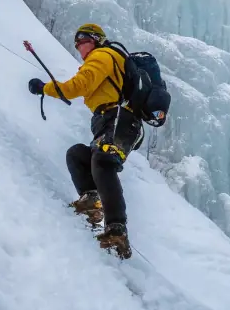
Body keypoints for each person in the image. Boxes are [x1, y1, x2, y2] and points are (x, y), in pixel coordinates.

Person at [28, 22, 150, 258]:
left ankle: (117, 229)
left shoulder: (102, 55)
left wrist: (45, 88)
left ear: (93, 40)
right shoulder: (104, 58)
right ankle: (92, 202)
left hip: (119, 118)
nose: (78, 48)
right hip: (110, 120)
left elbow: (78, 86)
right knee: (78, 155)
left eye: (81, 42)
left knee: (103, 161)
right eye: (77, 44)